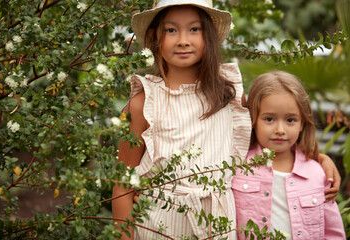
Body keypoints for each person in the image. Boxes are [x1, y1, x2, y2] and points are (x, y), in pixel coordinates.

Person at [112, 1, 341, 239]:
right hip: (158, 224)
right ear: (155, 37)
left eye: (194, 29)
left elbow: (262, 141)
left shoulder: (228, 92)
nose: (183, 40)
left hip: (218, 226)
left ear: (209, 35)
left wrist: (318, 159)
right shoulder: (145, 102)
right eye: (171, 30)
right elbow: (123, 181)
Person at [232, 71, 345, 239]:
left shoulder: (317, 174)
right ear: (253, 119)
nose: (280, 130)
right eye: (269, 119)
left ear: (302, 123)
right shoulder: (237, 167)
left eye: (290, 120)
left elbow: (333, 233)